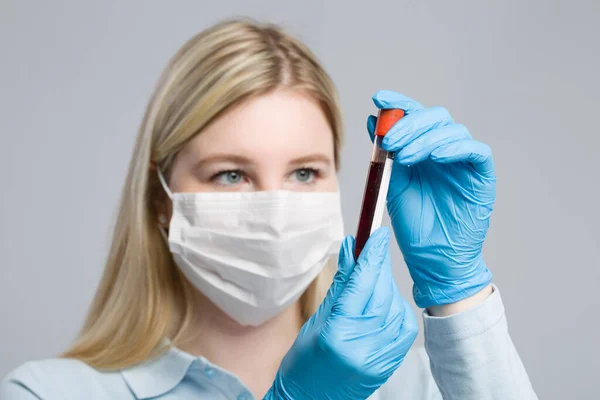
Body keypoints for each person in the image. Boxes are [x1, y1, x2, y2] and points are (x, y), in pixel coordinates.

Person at [0, 18, 538, 400]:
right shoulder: (49, 393)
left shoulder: (413, 387)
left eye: (304, 173)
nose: (275, 210)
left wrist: (459, 293)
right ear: (159, 198)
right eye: (231, 174)